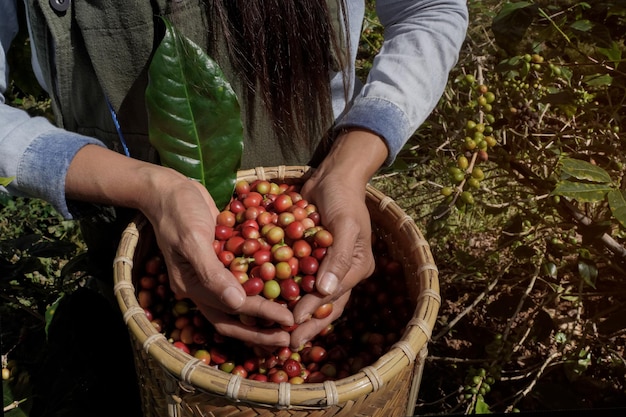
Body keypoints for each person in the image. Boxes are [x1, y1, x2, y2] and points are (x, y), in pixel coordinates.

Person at [1, 0, 468, 351]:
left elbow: (430, 9)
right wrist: (150, 188)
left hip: (319, 192)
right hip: (127, 234)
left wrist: (347, 165)